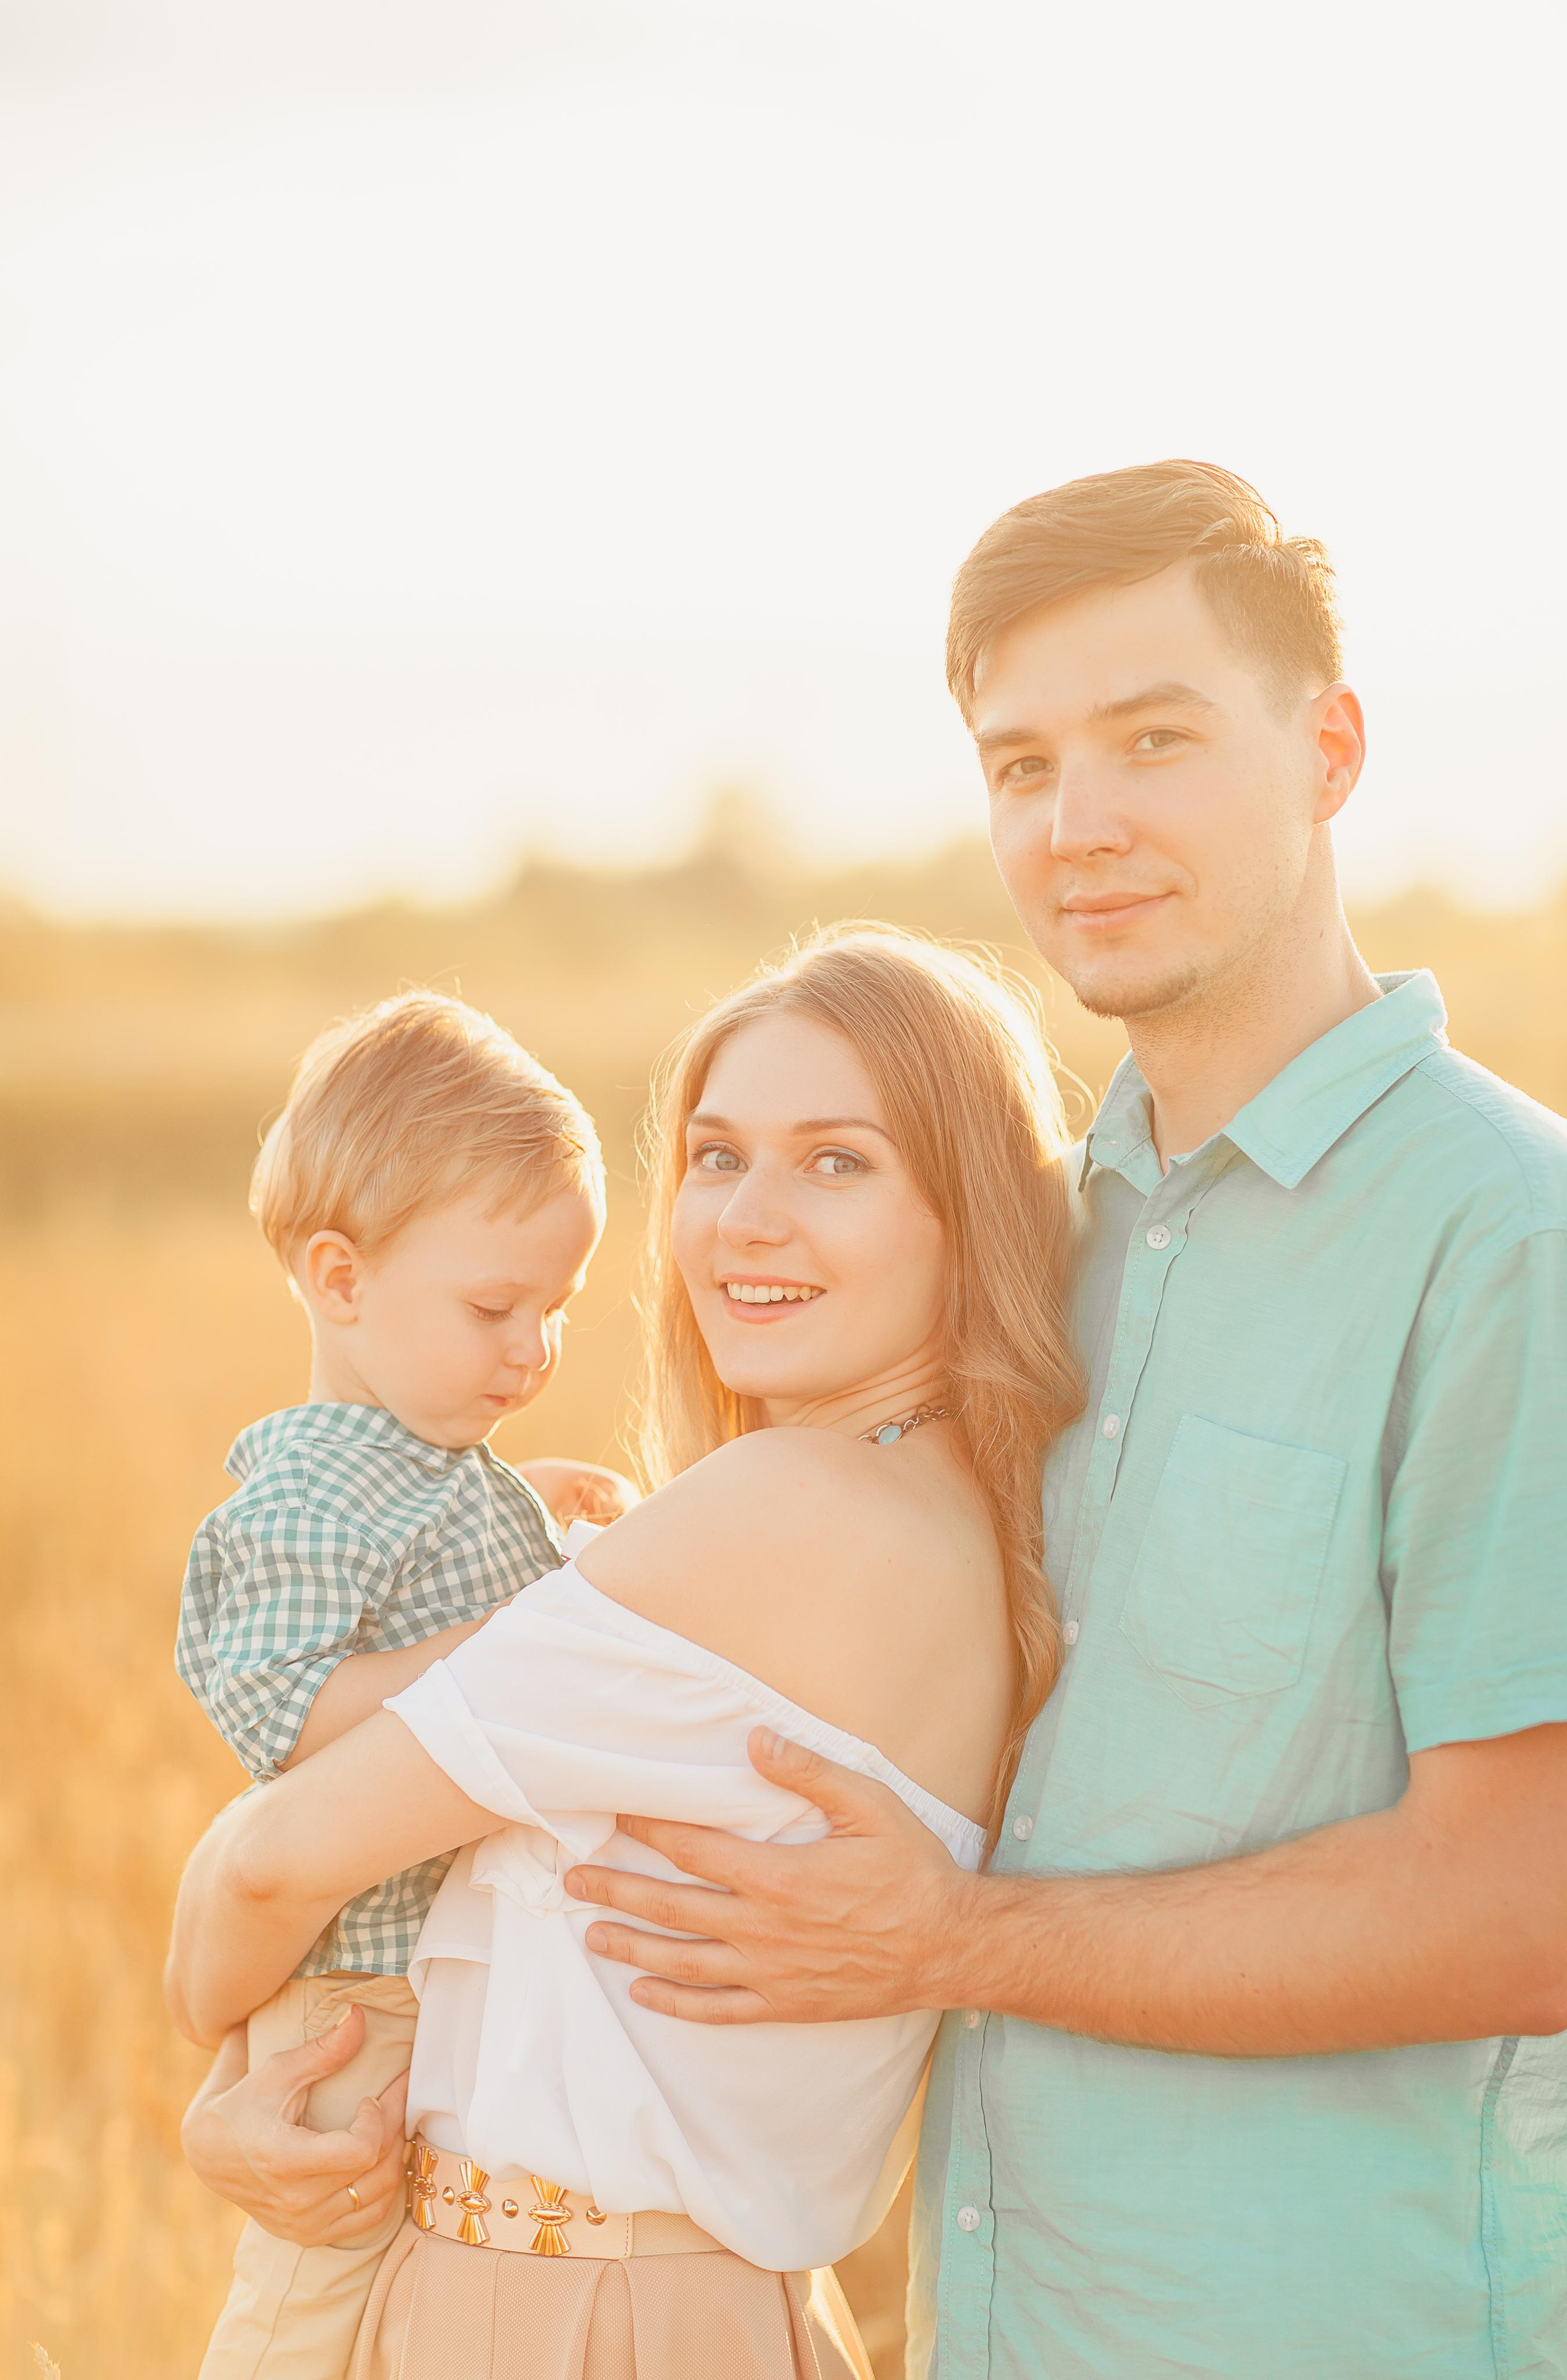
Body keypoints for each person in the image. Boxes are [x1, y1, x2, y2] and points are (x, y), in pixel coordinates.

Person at [555, 462, 1567, 2378]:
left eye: (1155, 742)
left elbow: (1524, 1909)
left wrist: (954, 1940)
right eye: (1022, 766)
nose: (1079, 824)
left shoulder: (1517, 1240)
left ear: (1331, 747)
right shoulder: (1029, 1235)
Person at [167, 928, 1085, 2379]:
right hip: (716, 2312)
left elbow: (268, 1866)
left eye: (834, 1162)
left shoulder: (780, 1511)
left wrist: (213, 2052)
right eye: (716, 1157)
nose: (744, 1221)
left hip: (557, 2313)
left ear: (965, 1214)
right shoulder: (954, 1518)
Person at [177, 989, 623, 2379]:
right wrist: (480, 1652)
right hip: (357, 1996)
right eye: (495, 1306)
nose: (535, 1347)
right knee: (319, 2273)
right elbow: (276, 1705)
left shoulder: (431, 1463)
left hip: (441, 1967)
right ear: (341, 1279)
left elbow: (444, 1567)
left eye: (556, 1309)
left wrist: (523, 1515)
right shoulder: (308, 1484)